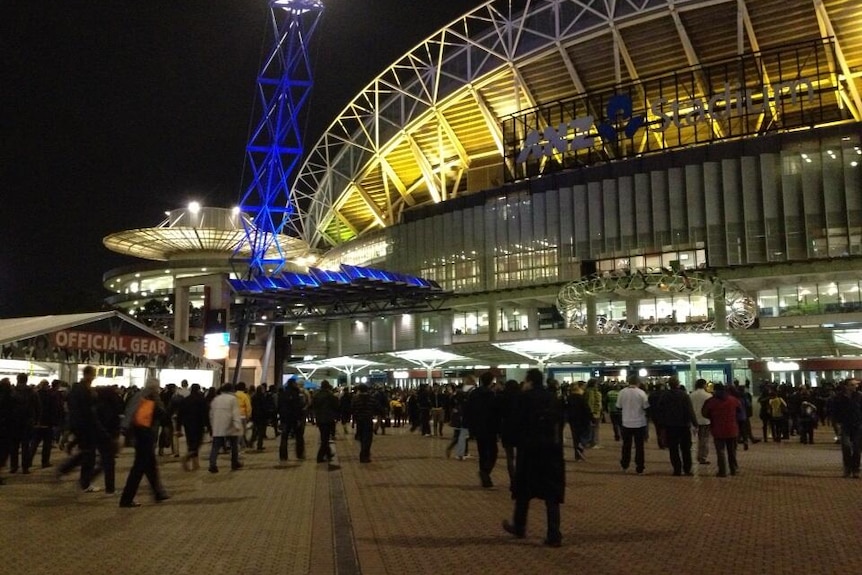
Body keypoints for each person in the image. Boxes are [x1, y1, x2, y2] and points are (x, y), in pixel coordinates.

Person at [502, 368, 565, 547]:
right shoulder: (552, 397)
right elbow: (559, 424)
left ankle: (519, 526)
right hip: (551, 451)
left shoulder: (523, 398)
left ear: (529, 381)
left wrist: (511, 442)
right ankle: (554, 534)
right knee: (551, 494)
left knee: (524, 490)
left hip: (529, 450)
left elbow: (514, 423)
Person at [118, 378, 170, 507]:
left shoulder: (142, 396)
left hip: (143, 435)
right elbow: (132, 413)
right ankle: (126, 499)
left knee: (150, 466)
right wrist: (123, 432)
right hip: (144, 436)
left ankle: (158, 492)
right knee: (139, 468)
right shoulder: (149, 397)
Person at [56, 366, 105, 491]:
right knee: (88, 455)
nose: (94, 377)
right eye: (93, 374)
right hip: (85, 427)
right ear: (88, 375)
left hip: (83, 426)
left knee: (86, 453)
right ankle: (83, 481)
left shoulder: (80, 389)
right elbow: (86, 410)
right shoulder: (82, 390)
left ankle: (69, 472)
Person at [656, 377, 697, 476]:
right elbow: (690, 410)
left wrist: (661, 423)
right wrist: (695, 423)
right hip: (683, 425)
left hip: (670, 425)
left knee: (673, 448)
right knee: (686, 448)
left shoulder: (664, 395)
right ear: (678, 384)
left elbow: (659, 410)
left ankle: (677, 469)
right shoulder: (684, 395)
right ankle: (687, 469)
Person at [466, 371, 500, 488]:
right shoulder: (491, 395)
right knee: (493, 453)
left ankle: (485, 478)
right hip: (490, 428)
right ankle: (485, 473)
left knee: (482, 453)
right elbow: (495, 413)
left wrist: (471, 428)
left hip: (478, 428)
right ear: (490, 382)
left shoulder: (474, 394)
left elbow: (469, 412)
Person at [701, 383, 741, 478]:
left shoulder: (711, 401)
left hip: (717, 429)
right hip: (732, 429)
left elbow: (704, 413)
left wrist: (713, 417)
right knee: (732, 451)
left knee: (720, 451)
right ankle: (733, 469)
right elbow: (740, 410)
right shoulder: (733, 400)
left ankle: (722, 471)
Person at [617, 374, 649, 475]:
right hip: (639, 422)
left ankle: (625, 465)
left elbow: (618, 406)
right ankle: (640, 467)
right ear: (638, 383)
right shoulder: (641, 393)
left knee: (626, 445)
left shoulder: (622, 392)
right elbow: (646, 406)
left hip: (626, 422)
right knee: (639, 446)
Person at [208, 383, 244, 473]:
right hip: (230, 425)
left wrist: (212, 425)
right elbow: (235, 413)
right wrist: (237, 425)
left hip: (218, 426)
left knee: (215, 446)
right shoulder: (232, 399)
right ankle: (234, 463)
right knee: (234, 445)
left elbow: (211, 414)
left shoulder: (216, 399)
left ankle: (212, 464)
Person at [10, 373, 40, 474]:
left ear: (17, 379)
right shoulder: (32, 392)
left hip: (14, 422)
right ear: (26, 380)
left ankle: (13, 467)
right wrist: (36, 420)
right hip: (27, 422)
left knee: (14, 446)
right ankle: (25, 467)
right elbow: (38, 407)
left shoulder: (12, 391)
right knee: (25, 446)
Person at [831, 379, 862, 478]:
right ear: (846, 386)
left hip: (857, 425)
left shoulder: (859, 397)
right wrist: (837, 425)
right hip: (845, 425)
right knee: (846, 447)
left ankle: (856, 469)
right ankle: (847, 468)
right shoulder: (839, 398)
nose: (854, 387)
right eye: (852, 385)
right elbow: (834, 412)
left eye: (855, 385)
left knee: (857, 449)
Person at [176, 383, 208, 471]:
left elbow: (180, 415)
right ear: (198, 390)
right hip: (199, 424)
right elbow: (205, 414)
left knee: (190, 443)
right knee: (197, 443)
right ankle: (187, 457)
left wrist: (178, 428)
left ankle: (195, 464)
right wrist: (208, 426)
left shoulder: (185, 400)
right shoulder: (201, 400)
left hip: (187, 425)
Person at [31, 379, 62, 469]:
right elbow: (54, 409)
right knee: (46, 445)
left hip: (37, 423)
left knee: (34, 443)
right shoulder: (51, 396)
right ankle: (45, 462)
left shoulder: (35, 394)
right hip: (48, 423)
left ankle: (28, 461)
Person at [311, 380, 339, 464]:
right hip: (328, 419)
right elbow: (336, 406)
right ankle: (320, 456)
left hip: (319, 419)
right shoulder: (330, 396)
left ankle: (328, 453)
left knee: (324, 437)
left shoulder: (316, 395)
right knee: (325, 438)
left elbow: (313, 406)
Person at [278, 377, 305, 462]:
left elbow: (279, 407)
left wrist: (281, 418)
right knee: (299, 437)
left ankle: (283, 456)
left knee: (284, 437)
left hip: (285, 419)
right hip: (294, 418)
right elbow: (297, 407)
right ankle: (299, 454)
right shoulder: (296, 393)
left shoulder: (283, 394)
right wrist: (299, 418)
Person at [565, 381, 592, 461]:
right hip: (582, 419)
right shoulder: (581, 397)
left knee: (575, 437)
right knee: (586, 434)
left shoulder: (569, 397)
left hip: (573, 420)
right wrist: (591, 417)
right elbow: (586, 408)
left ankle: (577, 455)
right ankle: (581, 447)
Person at [689, 379, 712, 465]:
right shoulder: (708, 395)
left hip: (694, 420)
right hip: (705, 420)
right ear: (704, 385)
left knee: (693, 439)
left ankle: (693, 456)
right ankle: (702, 457)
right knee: (704, 440)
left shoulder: (691, 395)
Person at [351, 384, 376, 463]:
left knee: (361, 438)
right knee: (368, 439)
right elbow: (377, 407)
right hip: (368, 420)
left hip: (359, 421)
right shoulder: (371, 398)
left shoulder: (355, 399)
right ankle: (365, 455)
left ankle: (363, 455)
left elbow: (352, 409)